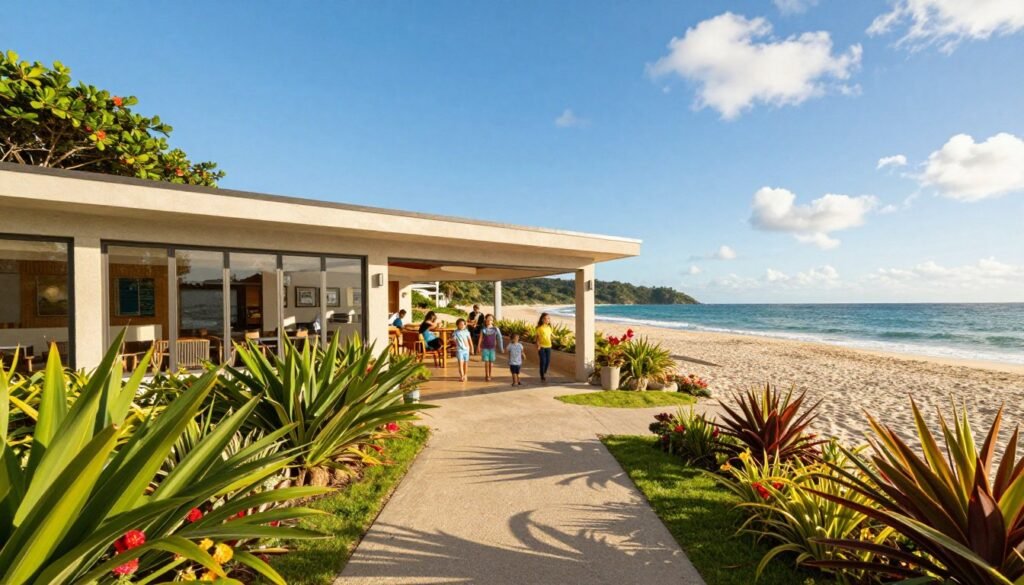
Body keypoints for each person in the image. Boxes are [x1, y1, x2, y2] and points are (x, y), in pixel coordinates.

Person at [477, 314, 503, 381]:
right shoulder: (483, 329)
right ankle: (487, 375)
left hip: (492, 348)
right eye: (488, 319)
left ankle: (490, 375)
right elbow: (480, 338)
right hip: (485, 348)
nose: (489, 321)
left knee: (491, 362)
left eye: (491, 319)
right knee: (486, 362)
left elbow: (499, 338)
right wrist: (478, 347)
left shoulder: (495, 329)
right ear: (485, 320)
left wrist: (501, 348)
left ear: (493, 321)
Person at [452, 318, 474, 382]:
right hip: (459, 350)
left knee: (466, 364)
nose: (462, 326)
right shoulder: (455, 332)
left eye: (463, 324)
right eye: (460, 324)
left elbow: (470, 341)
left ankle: (465, 375)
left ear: (465, 325)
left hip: (466, 350)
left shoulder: (467, 332)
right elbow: (454, 340)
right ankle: (462, 376)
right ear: (457, 325)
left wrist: (472, 348)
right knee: (460, 364)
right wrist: (453, 340)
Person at [535, 312, 553, 382]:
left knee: (547, 361)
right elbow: (536, 338)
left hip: (548, 346)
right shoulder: (539, 328)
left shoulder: (549, 327)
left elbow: (551, 335)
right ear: (542, 320)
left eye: (549, 318)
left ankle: (544, 372)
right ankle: (542, 375)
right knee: (543, 361)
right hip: (541, 347)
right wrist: (538, 345)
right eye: (546, 318)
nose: (548, 320)